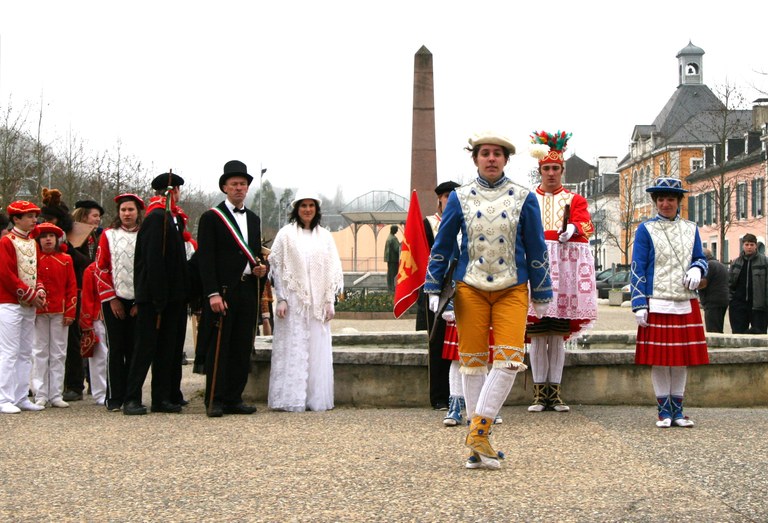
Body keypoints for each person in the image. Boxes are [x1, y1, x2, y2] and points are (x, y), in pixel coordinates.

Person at [425, 131, 552, 469]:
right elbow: (443, 245)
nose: (492, 158)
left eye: (497, 153)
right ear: (476, 159)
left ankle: (478, 431)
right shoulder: (460, 197)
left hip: (513, 287)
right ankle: (478, 443)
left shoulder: (524, 197)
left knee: (510, 359)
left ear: (506, 160)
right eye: (485, 153)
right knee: (472, 362)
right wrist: (435, 287)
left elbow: (537, 246)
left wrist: (541, 291)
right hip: (471, 288)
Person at [526, 131, 598, 412]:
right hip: (536, 269)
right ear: (539, 170)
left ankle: (553, 392)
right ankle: (537, 391)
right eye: (547, 168)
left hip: (564, 272)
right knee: (537, 334)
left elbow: (588, 226)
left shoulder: (574, 199)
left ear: (562, 170)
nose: (551, 173)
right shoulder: (529, 197)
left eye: (556, 168)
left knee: (556, 334)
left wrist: (574, 228)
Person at [631, 177, 709, 428]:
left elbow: (700, 257)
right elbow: (638, 267)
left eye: (671, 199)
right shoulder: (645, 229)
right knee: (660, 359)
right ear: (655, 201)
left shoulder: (691, 228)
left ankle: (678, 410)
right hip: (657, 300)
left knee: (680, 359)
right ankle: (663, 411)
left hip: (684, 300)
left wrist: (698, 268)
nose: (666, 203)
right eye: (661, 199)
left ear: (679, 202)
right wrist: (639, 302)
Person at [195, 160, 266, 417]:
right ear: (225, 187)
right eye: (234, 184)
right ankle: (214, 399)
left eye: (243, 184)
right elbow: (206, 259)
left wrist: (261, 268)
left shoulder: (255, 219)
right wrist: (212, 293)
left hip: (248, 289)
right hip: (223, 292)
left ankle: (235, 397)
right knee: (219, 346)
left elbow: (256, 254)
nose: (239, 188)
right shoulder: (211, 218)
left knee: (241, 346)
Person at [268, 190, 344, 412]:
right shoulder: (285, 235)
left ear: (317, 210)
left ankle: (315, 398)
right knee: (294, 346)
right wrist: (281, 299)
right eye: (303, 206)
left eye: (312, 206)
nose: (308, 210)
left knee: (317, 349)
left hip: (318, 302)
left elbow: (332, 271)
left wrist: (330, 301)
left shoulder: (326, 237)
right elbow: (278, 269)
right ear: (296, 209)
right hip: (293, 301)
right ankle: (290, 398)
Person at [123, 172, 189, 415]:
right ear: (171, 192)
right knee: (144, 349)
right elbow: (153, 262)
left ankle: (162, 397)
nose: (180, 195)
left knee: (167, 350)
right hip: (154, 298)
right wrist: (158, 297)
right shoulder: (155, 218)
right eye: (178, 191)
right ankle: (131, 398)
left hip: (172, 297)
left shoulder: (173, 219)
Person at [94, 193, 145, 411]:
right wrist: (112, 298)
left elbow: (147, 270)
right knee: (116, 348)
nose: (127, 214)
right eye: (123, 210)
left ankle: (133, 396)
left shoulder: (145, 235)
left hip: (138, 301)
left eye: (131, 210)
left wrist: (140, 301)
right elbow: (101, 268)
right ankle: (114, 396)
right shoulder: (108, 235)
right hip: (113, 299)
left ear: (138, 212)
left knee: (135, 349)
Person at [416, 180, 460, 411]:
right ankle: (440, 396)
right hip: (438, 290)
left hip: (462, 287)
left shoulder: (466, 221)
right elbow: (422, 255)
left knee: (462, 344)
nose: (450, 200)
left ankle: (460, 396)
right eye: (446, 197)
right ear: (439, 200)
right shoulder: (429, 224)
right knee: (438, 342)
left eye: (454, 196)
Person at [0, 201, 47, 414]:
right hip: (9, 302)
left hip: (28, 303)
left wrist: (39, 290)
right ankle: (3, 398)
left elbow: (36, 271)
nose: (34, 219)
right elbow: (5, 273)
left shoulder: (32, 243)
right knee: (9, 351)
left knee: (25, 351)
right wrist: (29, 294)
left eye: (34, 215)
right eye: (29, 216)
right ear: (16, 219)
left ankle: (20, 396)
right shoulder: (6, 242)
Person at [30, 223, 77, 408]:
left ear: (57, 239)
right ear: (38, 240)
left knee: (58, 353)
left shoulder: (65, 259)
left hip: (59, 311)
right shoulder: (33, 259)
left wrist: (70, 311)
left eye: (51, 236)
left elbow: (71, 286)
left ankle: (56, 393)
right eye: (44, 236)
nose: (48, 239)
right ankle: (40, 393)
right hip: (39, 311)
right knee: (40, 351)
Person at [79, 261, 108, 406]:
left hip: (114, 315)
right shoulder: (90, 270)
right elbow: (88, 298)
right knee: (99, 357)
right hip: (98, 316)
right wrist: (87, 323)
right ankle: (100, 393)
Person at [728, 233, 768, 334]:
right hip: (738, 307)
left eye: (751, 244)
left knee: (759, 338)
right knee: (738, 336)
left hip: (759, 307)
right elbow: (729, 283)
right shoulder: (736, 262)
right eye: (747, 244)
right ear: (743, 245)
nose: (749, 247)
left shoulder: (764, 262)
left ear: (756, 245)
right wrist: (731, 301)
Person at [698, 248, 729, 333]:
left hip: (712, 302)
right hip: (722, 300)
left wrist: (691, 284)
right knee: (718, 327)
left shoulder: (709, 265)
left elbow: (703, 283)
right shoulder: (720, 265)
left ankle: (717, 346)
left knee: (713, 330)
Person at [384, 225, 401, 293]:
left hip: (390, 259)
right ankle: (392, 289)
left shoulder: (389, 237)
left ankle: (390, 288)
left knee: (390, 274)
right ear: (394, 230)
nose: (397, 231)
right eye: (396, 229)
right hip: (394, 259)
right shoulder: (393, 238)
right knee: (393, 274)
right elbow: (397, 248)